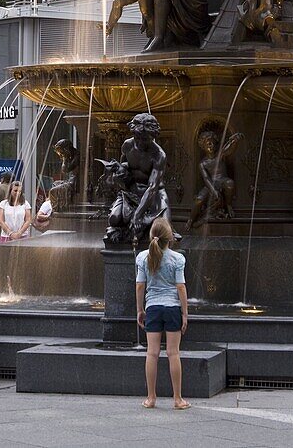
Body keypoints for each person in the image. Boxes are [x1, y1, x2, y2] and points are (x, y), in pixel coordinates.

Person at [135, 217, 189, 411]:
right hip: (173, 308)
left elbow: (140, 285)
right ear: (170, 238)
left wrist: (140, 310)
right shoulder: (178, 258)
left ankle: (151, 398)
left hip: (153, 308)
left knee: (152, 353)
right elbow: (181, 287)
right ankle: (177, 399)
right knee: (173, 353)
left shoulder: (142, 257)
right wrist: (185, 313)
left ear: (152, 237)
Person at [103, 113, 171, 245]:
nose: (140, 142)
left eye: (145, 139)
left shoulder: (159, 155)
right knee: (114, 219)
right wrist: (118, 171)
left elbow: (152, 188)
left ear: (153, 136)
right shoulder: (127, 145)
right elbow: (124, 165)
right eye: (138, 137)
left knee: (164, 228)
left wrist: (137, 215)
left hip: (154, 194)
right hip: (131, 191)